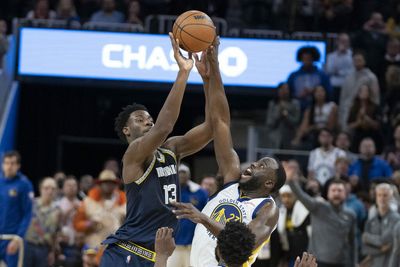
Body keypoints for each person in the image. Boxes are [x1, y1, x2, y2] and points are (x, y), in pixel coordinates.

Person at [99, 33, 213, 267]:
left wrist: (209, 79)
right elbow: (164, 127)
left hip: (156, 255)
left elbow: (213, 128)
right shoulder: (133, 155)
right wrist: (183, 72)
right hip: (127, 251)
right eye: (140, 119)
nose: (148, 122)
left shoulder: (171, 150)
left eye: (150, 118)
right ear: (127, 130)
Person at [172, 38, 285, 267]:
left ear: (269, 184)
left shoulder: (267, 208)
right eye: (257, 162)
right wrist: (211, 73)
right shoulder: (232, 178)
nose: (253, 165)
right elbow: (220, 121)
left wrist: (203, 218)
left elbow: (244, 242)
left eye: (262, 166)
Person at [285, 164, 358, 267]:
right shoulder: (318, 207)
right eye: (333, 190)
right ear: (327, 193)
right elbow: (302, 197)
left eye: (340, 190)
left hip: (343, 263)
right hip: (318, 262)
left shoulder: (351, 214)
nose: (336, 193)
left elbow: (353, 242)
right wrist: (291, 182)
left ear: (345, 194)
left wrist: (354, 263)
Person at [74, 170, 126, 256]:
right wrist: (88, 224)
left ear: (115, 184)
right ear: (100, 184)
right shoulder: (88, 202)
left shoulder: (124, 202)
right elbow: (77, 224)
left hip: (116, 248)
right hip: (94, 248)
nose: (108, 185)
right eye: (105, 183)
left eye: (111, 183)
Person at [166, 164, 208, 267]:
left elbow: (206, 215)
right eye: (179, 173)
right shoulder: (168, 192)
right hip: (173, 245)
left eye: (184, 173)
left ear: (189, 175)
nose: (181, 175)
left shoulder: (200, 192)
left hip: (193, 245)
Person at [0, 151, 34, 267]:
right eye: (7, 163)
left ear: (18, 166)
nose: (9, 166)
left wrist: (18, 238)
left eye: (13, 163)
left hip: (12, 238)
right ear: (2, 165)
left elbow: (28, 213)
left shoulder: (24, 185)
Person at [24, 177, 61, 267]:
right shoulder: (30, 204)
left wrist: (52, 252)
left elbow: (55, 233)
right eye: (46, 188)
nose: (50, 191)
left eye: (53, 189)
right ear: (40, 189)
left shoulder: (58, 210)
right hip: (27, 246)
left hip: (44, 249)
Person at [339, 52, 380, 129]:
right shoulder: (348, 77)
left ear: (364, 61)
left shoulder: (371, 77)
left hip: (367, 109)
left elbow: (375, 97)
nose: (357, 62)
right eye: (355, 60)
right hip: (350, 109)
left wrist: (372, 109)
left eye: (359, 60)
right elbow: (343, 97)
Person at [362, 183, 400, 267]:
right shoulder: (370, 220)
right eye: (379, 195)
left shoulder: (397, 219)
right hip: (374, 264)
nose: (382, 198)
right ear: (376, 197)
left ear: (391, 198)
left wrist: (368, 237)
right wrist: (381, 250)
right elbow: (365, 249)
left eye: (385, 195)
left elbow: (387, 241)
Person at [278, 184, 310, 267]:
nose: (286, 199)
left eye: (289, 196)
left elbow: (311, 234)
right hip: (290, 254)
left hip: (305, 254)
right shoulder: (281, 211)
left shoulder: (305, 211)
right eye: (283, 196)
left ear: (295, 196)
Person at [264, 82, 301, 149]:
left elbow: (296, 122)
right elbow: (269, 123)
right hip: (274, 139)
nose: (284, 91)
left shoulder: (295, 104)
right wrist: (279, 114)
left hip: (290, 138)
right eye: (282, 89)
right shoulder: (273, 104)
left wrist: (286, 115)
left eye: (286, 89)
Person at [347, 84, 383, 152]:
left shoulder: (375, 107)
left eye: (366, 91)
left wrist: (366, 118)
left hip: (373, 134)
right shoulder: (354, 108)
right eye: (362, 91)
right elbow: (349, 125)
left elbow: (378, 125)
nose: (364, 93)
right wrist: (359, 122)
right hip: (358, 135)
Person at [57, 176, 81, 267]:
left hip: (78, 243)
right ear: (63, 188)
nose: (71, 188)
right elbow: (58, 224)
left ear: (77, 188)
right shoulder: (58, 204)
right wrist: (70, 210)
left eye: (74, 185)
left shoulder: (82, 204)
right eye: (68, 185)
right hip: (63, 244)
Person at [325, 33, 354, 102]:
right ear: (337, 42)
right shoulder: (331, 56)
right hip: (334, 85)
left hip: (348, 85)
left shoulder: (352, 55)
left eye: (346, 41)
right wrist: (339, 55)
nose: (344, 43)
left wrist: (339, 72)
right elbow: (329, 70)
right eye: (342, 41)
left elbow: (352, 71)